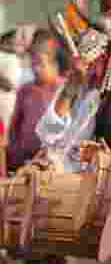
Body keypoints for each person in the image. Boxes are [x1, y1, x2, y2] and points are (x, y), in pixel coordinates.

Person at [7, 29, 64, 171]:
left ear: (55, 64)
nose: (36, 68)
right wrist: (14, 154)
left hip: (52, 164)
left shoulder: (64, 91)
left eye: (40, 63)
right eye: (33, 63)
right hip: (24, 162)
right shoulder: (25, 90)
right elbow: (14, 126)